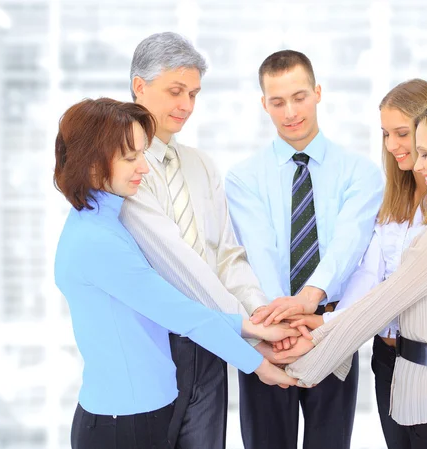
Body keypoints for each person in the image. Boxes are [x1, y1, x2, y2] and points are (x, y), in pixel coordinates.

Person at [267, 94, 427, 449]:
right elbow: (374, 294)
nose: (418, 166)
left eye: (425, 153)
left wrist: (293, 369)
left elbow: (377, 310)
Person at [53, 98, 299, 449]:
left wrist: (251, 326)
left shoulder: (106, 220)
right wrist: (259, 364)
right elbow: (181, 314)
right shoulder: (97, 241)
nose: (145, 167)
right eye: (130, 157)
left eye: (142, 153)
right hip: (123, 424)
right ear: (91, 164)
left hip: (141, 413)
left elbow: (169, 310)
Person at [118, 33, 283, 449]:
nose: (187, 106)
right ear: (140, 86)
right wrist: (246, 331)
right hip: (155, 345)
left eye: (193, 94)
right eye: (176, 91)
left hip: (210, 351)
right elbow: (177, 263)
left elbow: (226, 255)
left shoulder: (201, 165)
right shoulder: (123, 170)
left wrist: (259, 314)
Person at [225, 50, 384, 449]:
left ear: (317, 92)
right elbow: (258, 253)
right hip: (269, 338)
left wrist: (307, 304)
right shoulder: (243, 177)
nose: (290, 111)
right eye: (277, 102)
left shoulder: (360, 172)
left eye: (299, 97)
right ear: (264, 104)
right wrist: (280, 323)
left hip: (331, 333)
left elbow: (349, 246)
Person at [286, 78, 427, 449]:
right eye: (386, 134)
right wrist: (324, 320)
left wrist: (326, 327)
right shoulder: (395, 201)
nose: (392, 146)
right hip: (387, 359)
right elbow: (369, 277)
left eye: (401, 134)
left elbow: (397, 293)